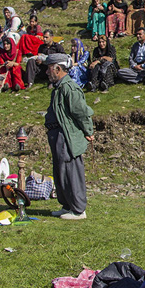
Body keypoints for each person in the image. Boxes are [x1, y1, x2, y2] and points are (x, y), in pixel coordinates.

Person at [44, 53, 94, 220]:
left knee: (71, 171)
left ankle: (78, 209)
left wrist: (88, 131)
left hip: (66, 136)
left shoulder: (69, 88)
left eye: (49, 68)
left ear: (58, 68)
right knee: (60, 172)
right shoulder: (59, 87)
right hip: (57, 136)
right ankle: (67, 206)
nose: (47, 72)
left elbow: (80, 112)